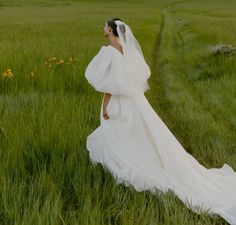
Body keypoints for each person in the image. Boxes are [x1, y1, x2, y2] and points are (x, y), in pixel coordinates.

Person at [84, 17, 236, 225]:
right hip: (136, 103)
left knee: (118, 137)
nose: (103, 28)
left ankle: (127, 168)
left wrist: (105, 105)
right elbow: (142, 75)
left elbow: (107, 83)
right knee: (140, 135)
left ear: (110, 30)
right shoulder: (130, 52)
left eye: (105, 26)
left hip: (119, 103)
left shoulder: (109, 52)